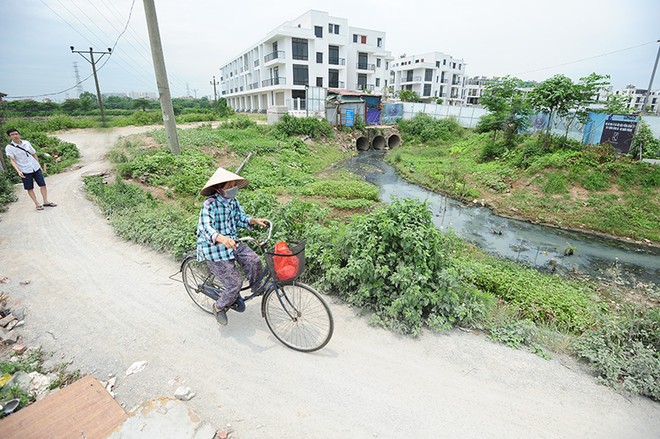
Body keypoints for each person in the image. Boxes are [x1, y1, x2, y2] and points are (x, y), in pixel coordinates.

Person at [196, 167, 268, 326]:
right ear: (219, 188)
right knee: (234, 283)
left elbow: (240, 218)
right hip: (214, 249)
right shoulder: (210, 204)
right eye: (230, 186)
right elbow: (205, 227)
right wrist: (221, 238)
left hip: (233, 242)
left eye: (235, 185)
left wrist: (253, 221)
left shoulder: (233, 201)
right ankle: (219, 307)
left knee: (254, 260)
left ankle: (258, 287)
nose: (233, 188)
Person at [5, 128, 56, 211]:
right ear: (9, 137)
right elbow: (12, 160)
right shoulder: (9, 148)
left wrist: (39, 165)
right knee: (29, 188)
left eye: (16, 134)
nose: (15, 136)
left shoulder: (26, 143)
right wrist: (18, 171)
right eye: (12, 135)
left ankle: (45, 201)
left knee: (43, 185)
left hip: (35, 167)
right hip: (24, 170)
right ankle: (37, 204)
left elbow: (34, 154)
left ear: (19, 134)